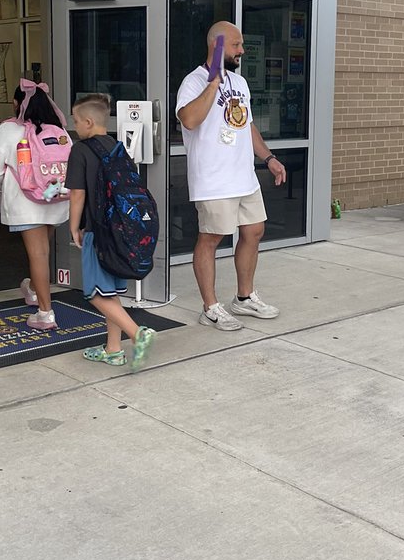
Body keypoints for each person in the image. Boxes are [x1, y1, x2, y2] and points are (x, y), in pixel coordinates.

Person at [175, 21, 287, 331]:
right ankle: (210, 308)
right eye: (236, 45)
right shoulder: (193, 81)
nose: (242, 50)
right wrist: (213, 82)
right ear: (218, 46)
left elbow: (246, 125)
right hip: (214, 180)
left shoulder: (240, 82)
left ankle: (244, 297)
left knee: (254, 231)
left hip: (244, 176)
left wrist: (268, 158)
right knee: (211, 238)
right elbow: (189, 120)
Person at [65, 92, 156, 369]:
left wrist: (74, 227)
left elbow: (77, 194)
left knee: (94, 294)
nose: (75, 126)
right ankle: (113, 350)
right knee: (109, 294)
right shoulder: (117, 148)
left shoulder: (81, 150)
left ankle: (138, 334)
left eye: (76, 121)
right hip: (119, 231)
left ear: (89, 122)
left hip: (97, 232)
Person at [0, 80, 70, 330]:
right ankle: (33, 289)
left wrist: (8, 186)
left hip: (26, 202)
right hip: (55, 198)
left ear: (16, 103)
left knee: (38, 254)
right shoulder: (59, 130)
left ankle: (45, 313)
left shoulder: (8, 130)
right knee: (43, 251)